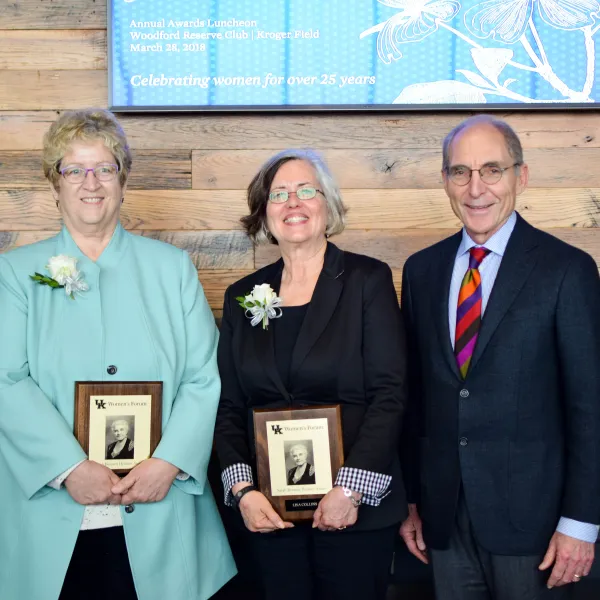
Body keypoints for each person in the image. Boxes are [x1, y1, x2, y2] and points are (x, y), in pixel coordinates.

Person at [0, 108, 236, 600]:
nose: (91, 182)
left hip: (160, 506)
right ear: (55, 185)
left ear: (123, 181)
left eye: (105, 168)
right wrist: (68, 468)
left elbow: (203, 375)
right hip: (51, 515)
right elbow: (7, 379)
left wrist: (170, 461)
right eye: (74, 169)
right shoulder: (16, 273)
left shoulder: (172, 269)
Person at [399, 114, 600, 600]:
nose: (476, 188)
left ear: (520, 176)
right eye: (459, 172)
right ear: (445, 180)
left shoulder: (567, 270)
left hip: (538, 525)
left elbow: (590, 406)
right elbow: (417, 397)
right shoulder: (422, 270)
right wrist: (411, 501)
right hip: (443, 520)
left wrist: (582, 522)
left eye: (492, 170)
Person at [214, 149, 407, 600]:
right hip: (269, 514)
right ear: (264, 214)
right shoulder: (243, 295)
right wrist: (243, 491)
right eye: (278, 194)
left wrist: (350, 490)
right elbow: (228, 405)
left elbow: (390, 394)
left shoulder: (367, 279)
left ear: (328, 203)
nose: (292, 203)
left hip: (354, 511)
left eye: (305, 191)